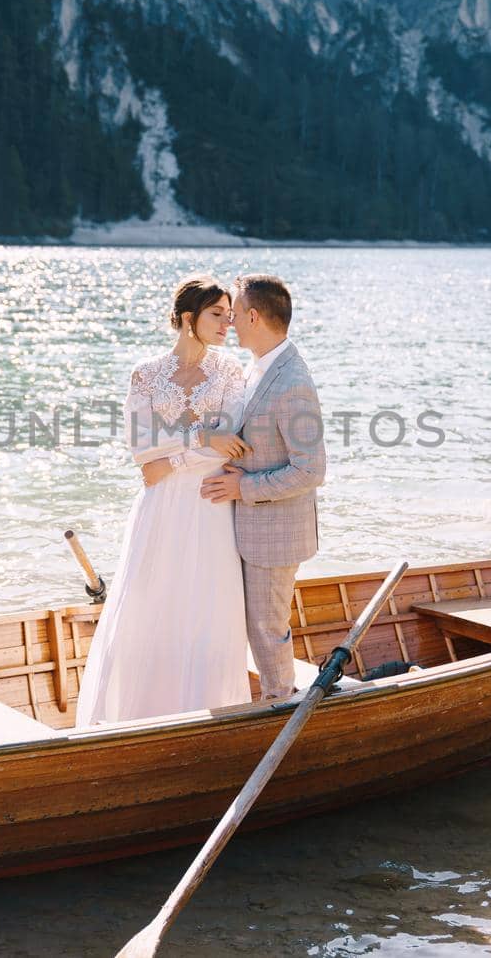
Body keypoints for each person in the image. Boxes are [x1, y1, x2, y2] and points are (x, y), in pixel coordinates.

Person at [75, 276, 255, 726]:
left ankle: (208, 718)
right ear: (189, 318)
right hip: (159, 513)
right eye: (217, 314)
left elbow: (229, 446)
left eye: (230, 315)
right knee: (150, 608)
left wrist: (174, 455)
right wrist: (200, 437)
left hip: (212, 509)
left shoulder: (232, 372)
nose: (227, 324)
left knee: (208, 613)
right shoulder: (146, 373)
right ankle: (136, 720)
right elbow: (142, 454)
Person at [200, 274, 326, 701]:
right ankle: (274, 699)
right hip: (253, 528)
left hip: (275, 533)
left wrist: (244, 488)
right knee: (257, 625)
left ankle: (279, 704)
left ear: (254, 316)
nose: (230, 321)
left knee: (267, 630)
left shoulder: (292, 382)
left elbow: (311, 470)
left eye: (235, 313)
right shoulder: (261, 366)